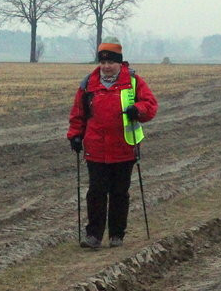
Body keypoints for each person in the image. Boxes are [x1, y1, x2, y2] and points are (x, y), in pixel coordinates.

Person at [66, 37, 158, 249]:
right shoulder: (88, 83)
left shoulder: (134, 82)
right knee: (96, 192)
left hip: (124, 148)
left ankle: (117, 235)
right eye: (103, 62)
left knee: (119, 192)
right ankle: (94, 236)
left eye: (111, 62)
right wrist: (75, 135)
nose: (106, 67)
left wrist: (139, 110)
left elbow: (150, 106)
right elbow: (78, 113)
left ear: (120, 62)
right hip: (95, 148)